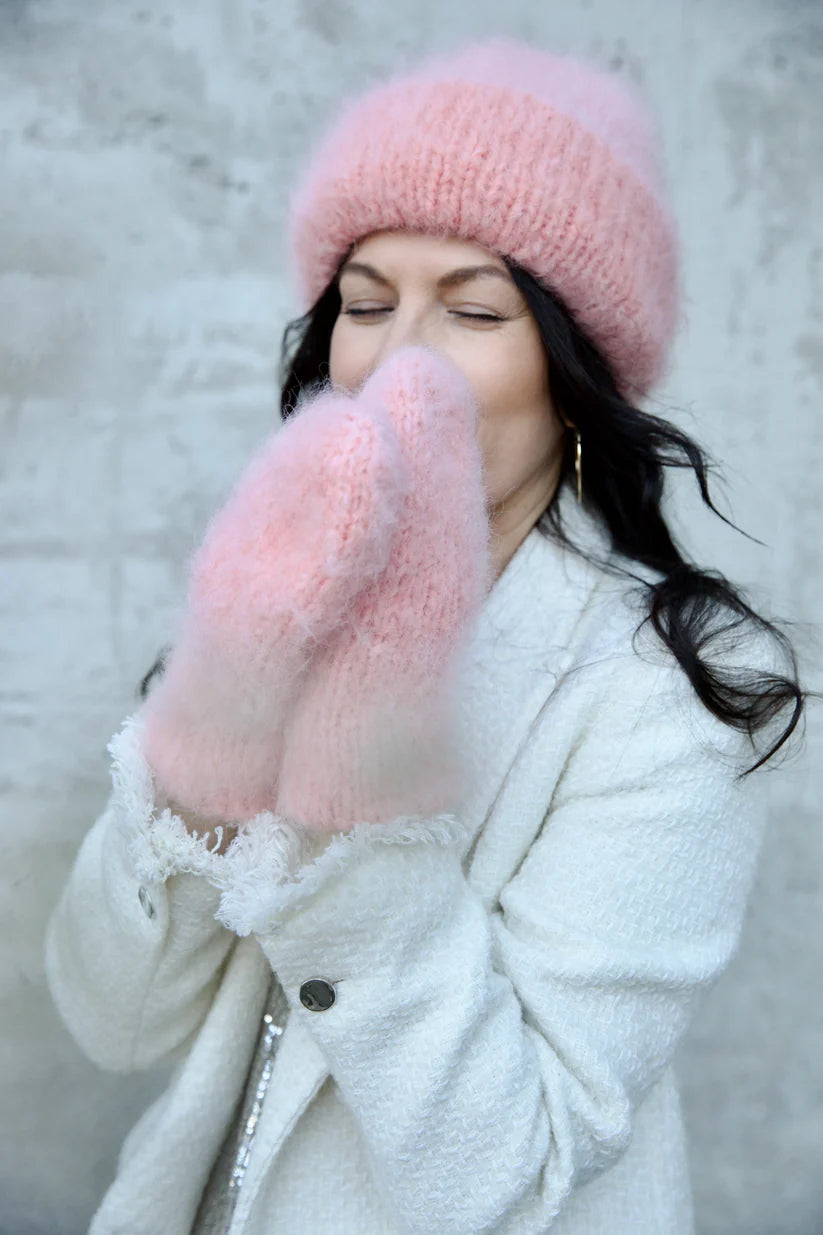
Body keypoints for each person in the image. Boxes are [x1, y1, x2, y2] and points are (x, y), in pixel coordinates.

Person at [44, 34, 805, 1235]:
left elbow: (508, 1174)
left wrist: (365, 776)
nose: (401, 358)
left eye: (473, 308)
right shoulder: (277, 596)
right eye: (364, 303)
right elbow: (113, 1018)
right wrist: (216, 711)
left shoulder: (671, 688)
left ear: (572, 369)